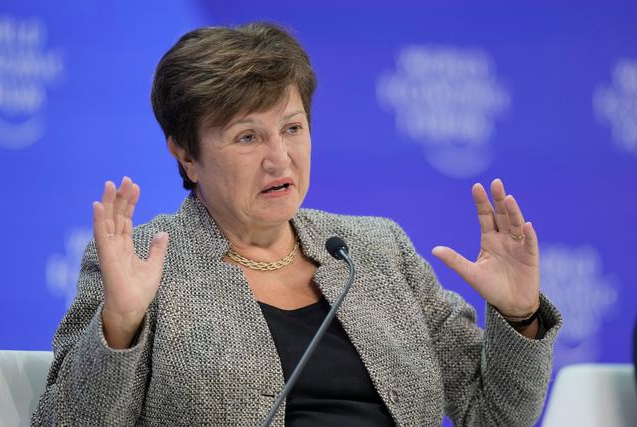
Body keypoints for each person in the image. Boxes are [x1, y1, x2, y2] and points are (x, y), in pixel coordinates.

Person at [32, 22, 562, 426]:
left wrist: (519, 318)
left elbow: (494, 415)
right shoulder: (144, 262)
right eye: (247, 137)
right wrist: (120, 327)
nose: (280, 159)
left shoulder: (377, 249)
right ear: (186, 154)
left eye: (292, 128)